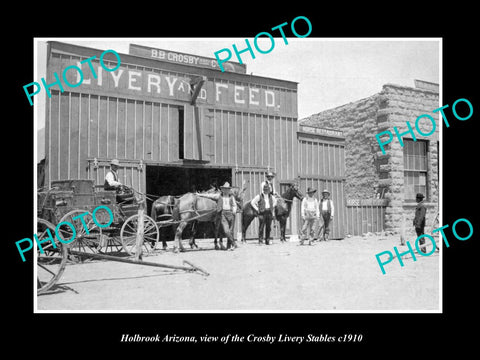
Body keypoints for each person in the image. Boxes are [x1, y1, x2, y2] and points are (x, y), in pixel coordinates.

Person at [198, 182, 238, 250]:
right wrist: (199, 194)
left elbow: (234, 205)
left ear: (229, 190)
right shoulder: (219, 196)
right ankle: (233, 243)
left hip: (231, 214)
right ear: (223, 190)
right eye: (224, 189)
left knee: (230, 231)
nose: (226, 190)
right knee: (226, 231)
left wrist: (234, 210)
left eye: (227, 189)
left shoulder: (232, 197)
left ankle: (229, 246)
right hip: (223, 214)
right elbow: (210, 196)